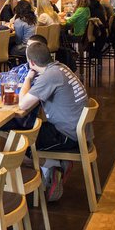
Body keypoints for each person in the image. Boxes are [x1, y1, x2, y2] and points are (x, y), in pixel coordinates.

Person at [18, 42, 89, 201]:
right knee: (30, 133)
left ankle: (53, 165)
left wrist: (28, 78)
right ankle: (53, 166)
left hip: (67, 135)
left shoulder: (50, 76)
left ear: (32, 63)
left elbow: (22, 104)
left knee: (21, 142)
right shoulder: (60, 68)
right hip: (78, 131)